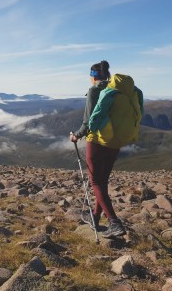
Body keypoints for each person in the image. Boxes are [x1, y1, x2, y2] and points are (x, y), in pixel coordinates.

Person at [70, 60, 143, 238]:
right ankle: (95, 217)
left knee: (95, 182)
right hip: (116, 141)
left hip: (97, 141)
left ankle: (114, 222)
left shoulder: (95, 91)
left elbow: (88, 122)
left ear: (93, 76)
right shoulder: (122, 91)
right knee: (102, 181)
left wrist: (76, 135)